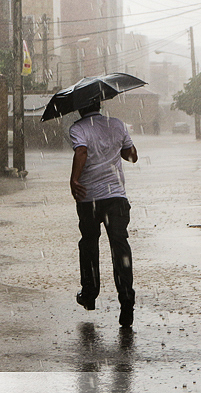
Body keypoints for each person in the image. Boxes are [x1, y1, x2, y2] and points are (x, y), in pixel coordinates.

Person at [69, 100, 138, 328]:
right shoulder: (117, 124)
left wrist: (75, 179)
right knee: (120, 247)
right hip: (116, 198)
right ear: (100, 104)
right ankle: (126, 298)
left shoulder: (78, 128)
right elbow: (131, 156)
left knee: (89, 243)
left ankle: (89, 294)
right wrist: (117, 145)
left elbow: (81, 151)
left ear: (80, 107)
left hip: (89, 200)